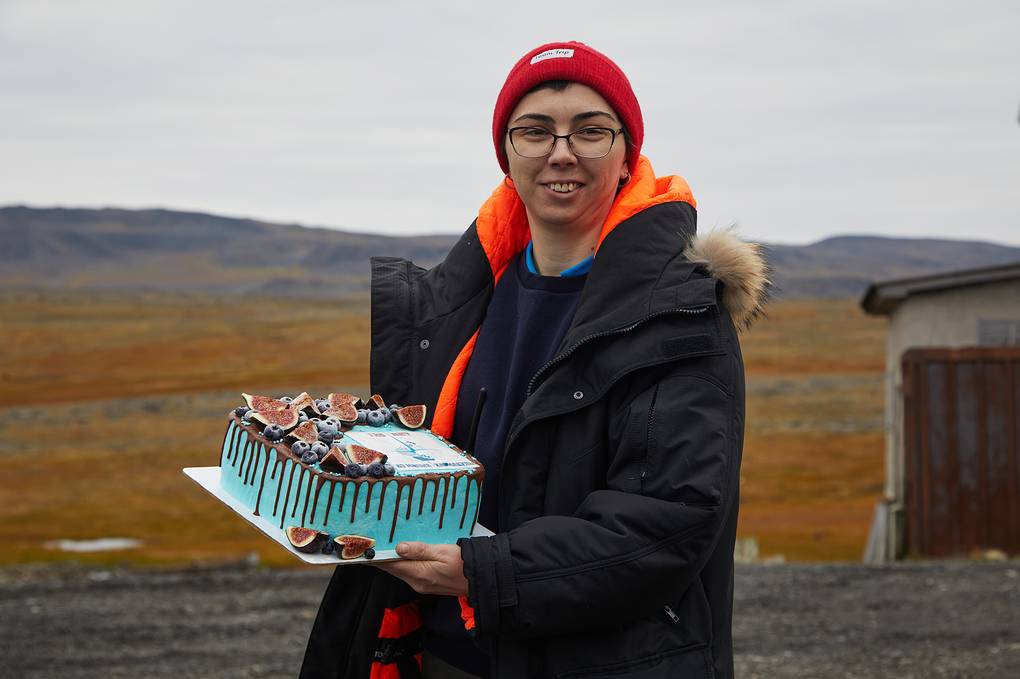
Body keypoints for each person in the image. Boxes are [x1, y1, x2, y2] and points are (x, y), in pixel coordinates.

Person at [300, 41, 768, 679]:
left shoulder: (678, 316)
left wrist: (486, 573)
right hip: (438, 655)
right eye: (535, 131)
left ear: (626, 155)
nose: (562, 152)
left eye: (591, 131)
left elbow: (667, 522)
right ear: (507, 153)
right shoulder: (455, 304)